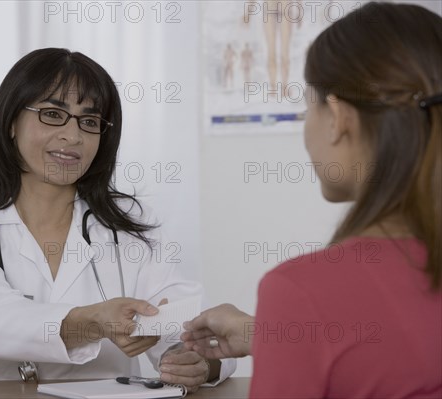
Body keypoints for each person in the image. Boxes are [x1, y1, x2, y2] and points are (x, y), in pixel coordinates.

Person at [0, 48, 234, 390]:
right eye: (52, 114)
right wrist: (92, 322)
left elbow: (194, 325)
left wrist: (198, 363)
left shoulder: (124, 233)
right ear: (11, 122)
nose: (73, 136)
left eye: (89, 122)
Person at [182, 3, 442, 398]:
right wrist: (275, 334)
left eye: (308, 107)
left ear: (337, 117)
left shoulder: (299, 290)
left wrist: (292, 322)